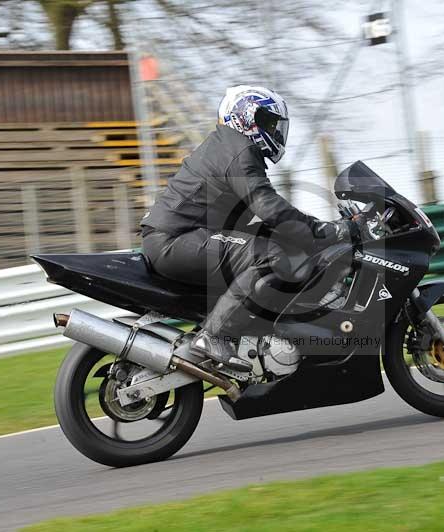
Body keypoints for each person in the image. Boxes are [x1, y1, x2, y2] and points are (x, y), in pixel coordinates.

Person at [141, 86, 349, 371]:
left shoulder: (229, 145)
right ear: (247, 117)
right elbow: (267, 206)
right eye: (269, 122)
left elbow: (256, 216)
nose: (275, 131)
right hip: (177, 240)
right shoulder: (239, 150)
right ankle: (214, 337)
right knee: (271, 256)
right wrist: (320, 230)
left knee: (270, 244)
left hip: (179, 237)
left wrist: (300, 229)